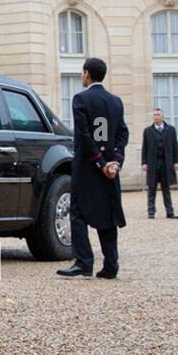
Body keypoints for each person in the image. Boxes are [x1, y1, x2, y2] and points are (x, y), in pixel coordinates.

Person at [59, 56, 129, 279]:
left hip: (87, 167)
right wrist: (114, 162)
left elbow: (83, 135)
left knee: (78, 212)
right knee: (108, 214)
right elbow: (122, 134)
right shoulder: (116, 101)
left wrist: (99, 162)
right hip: (110, 169)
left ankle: (84, 262)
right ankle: (111, 265)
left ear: (86, 73)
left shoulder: (80, 99)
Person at [141, 108, 178, 219]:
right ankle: (151, 212)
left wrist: (176, 161)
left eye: (158, 114)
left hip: (166, 163)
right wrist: (144, 163)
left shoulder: (171, 130)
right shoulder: (147, 131)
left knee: (166, 189)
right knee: (151, 189)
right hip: (152, 163)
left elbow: (175, 147)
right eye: (154, 115)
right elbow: (145, 148)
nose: (156, 116)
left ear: (162, 116)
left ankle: (170, 212)